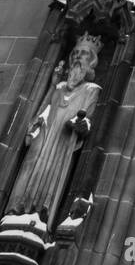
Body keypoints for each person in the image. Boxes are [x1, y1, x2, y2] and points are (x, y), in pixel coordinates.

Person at [5, 35, 102, 227]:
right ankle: (16, 209)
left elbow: (88, 120)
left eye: (82, 56)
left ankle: (41, 214)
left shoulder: (91, 89)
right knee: (29, 169)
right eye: (75, 54)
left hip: (61, 145)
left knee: (50, 176)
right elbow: (43, 111)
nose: (76, 59)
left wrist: (80, 124)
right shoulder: (58, 87)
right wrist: (52, 85)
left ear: (90, 65)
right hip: (44, 137)